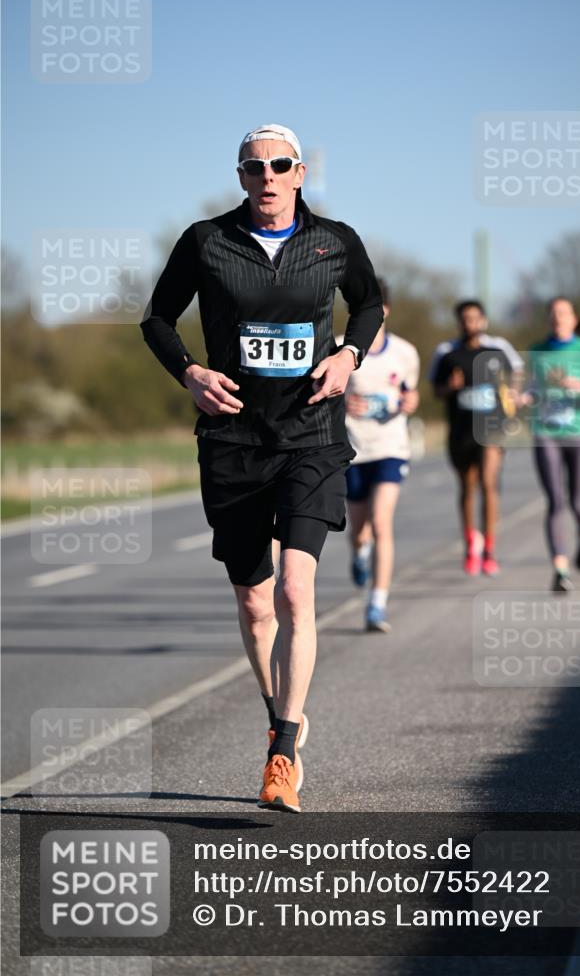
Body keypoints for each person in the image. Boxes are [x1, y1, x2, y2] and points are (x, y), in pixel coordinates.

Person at [140, 124, 383, 812]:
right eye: (255, 167)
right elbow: (157, 319)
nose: (268, 177)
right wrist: (188, 372)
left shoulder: (334, 242)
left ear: (300, 172)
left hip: (311, 435)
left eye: (280, 165)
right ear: (240, 175)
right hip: (234, 441)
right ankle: (284, 712)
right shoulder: (204, 242)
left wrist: (349, 357)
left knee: (295, 594)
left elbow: (369, 303)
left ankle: (281, 749)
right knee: (254, 603)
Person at [339, 278, 420, 631]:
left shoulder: (405, 353)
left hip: (390, 448)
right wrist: (342, 400)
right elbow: (322, 391)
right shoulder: (340, 348)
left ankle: (377, 604)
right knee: (360, 531)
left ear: (384, 311)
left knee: (382, 521)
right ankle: (359, 553)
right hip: (353, 450)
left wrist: (409, 403)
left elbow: (411, 395)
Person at [526, 297, 580, 591]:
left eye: (563, 313)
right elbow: (532, 389)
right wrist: (523, 398)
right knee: (554, 500)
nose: (557, 318)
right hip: (546, 431)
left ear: (574, 319)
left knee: (577, 499)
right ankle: (560, 570)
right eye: (552, 313)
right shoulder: (538, 351)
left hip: (579, 432)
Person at [432, 300, 522, 576]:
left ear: (483, 321)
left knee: (488, 483)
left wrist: (513, 394)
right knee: (468, 488)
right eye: (465, 319)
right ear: (459, 322)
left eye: (475, 318)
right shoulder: (448, 354)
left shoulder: (497, 350)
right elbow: (435, 390)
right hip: (460, 432)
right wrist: (450, 386)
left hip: (491, 430)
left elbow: (517, 372)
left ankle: (490, 547)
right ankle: (472, 542)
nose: (470, 323)